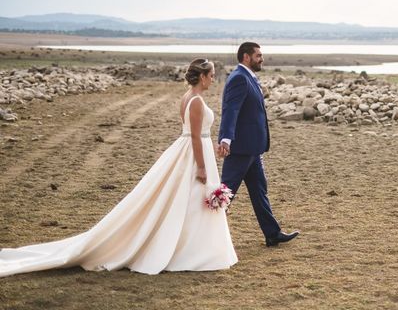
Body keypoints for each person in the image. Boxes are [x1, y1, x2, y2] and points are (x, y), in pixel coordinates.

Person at [0, 58, 237, 277]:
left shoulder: (187, 97)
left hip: (193, 148)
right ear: (202, 76)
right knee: (191, 200)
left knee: (187, 201)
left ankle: (193, 246)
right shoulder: (195, 101)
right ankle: (191, 250)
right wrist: (202, 167)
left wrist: (211, 146)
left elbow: (196, 133)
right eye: (212, 75)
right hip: (194, 154)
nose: (214, 79)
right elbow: (195, 136)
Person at [218, 42, 299, 247]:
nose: (262, 59)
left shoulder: (248, 77)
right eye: (258, 55)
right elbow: (231, 111)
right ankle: (206, 231)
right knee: (225, 193)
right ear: (246, 57)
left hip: (253, 149)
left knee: (259, 190)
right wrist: (226, 139)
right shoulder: (239, 78)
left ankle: (272, 233)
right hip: (241, 149)